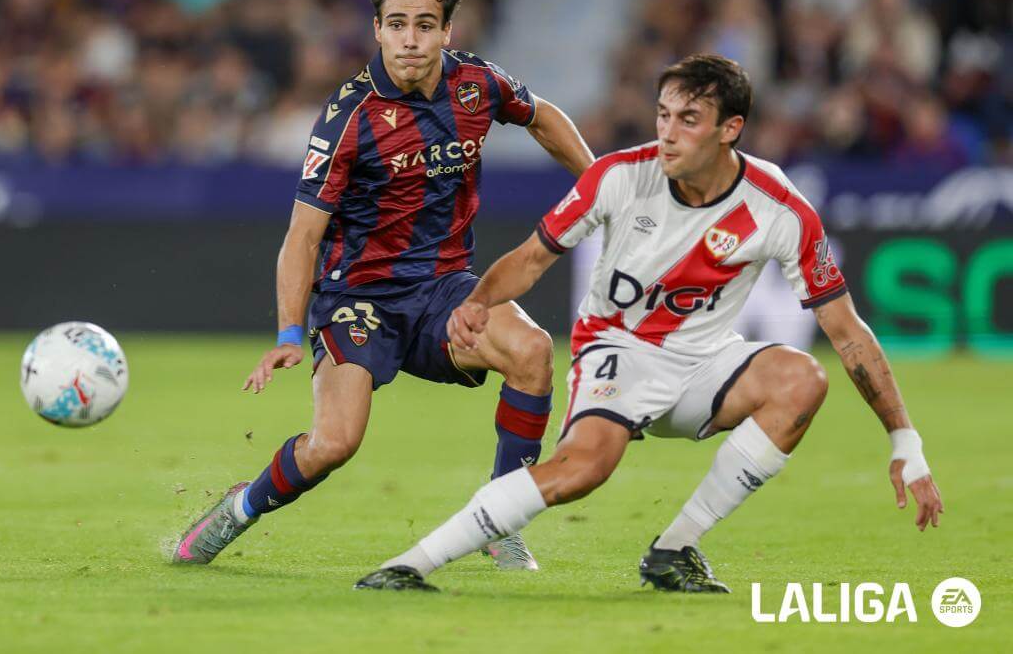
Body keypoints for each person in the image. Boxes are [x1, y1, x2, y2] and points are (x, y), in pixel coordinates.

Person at [354, 54, 943, 593]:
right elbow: (533, 256)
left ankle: (674, 550)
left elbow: (848, 332)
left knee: (803, 379)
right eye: (663, 114)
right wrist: (477, 302)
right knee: (583, 471)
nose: (667, 131)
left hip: (704, 363)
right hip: (617, 350)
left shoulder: (778, 208)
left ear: (729, 129)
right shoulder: (620, 175)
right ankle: (411, 564)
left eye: (689, 119)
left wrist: (905, 439)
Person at [172, 0, 594, 570]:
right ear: (377, 28)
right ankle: (239, 509)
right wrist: (291, 329)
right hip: (357, 299)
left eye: (425, 25)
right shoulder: (349, 116)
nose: (410, 41)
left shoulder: (477, 85)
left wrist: (597, 183)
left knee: (532, 353)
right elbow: (301, 237)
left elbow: (540, 116)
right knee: (334, 444)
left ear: (446, 29)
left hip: (445, 290)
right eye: (396, 25)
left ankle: (502, 517)